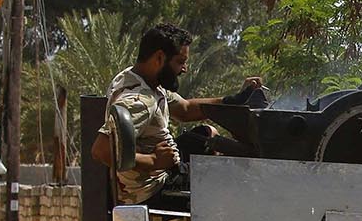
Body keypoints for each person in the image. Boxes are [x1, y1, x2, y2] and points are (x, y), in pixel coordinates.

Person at [90, 23, 265, 206]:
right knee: (231, 181)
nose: (184, 69)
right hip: (154, 190)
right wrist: (153, 160)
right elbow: (101, 150)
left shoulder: (141, 79)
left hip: (165, 167)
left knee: (207, 134)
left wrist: (233, 100)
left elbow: (185, 109)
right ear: (159, 58)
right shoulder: (139, 101)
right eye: (180, 62)